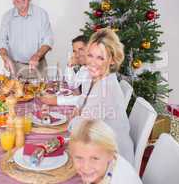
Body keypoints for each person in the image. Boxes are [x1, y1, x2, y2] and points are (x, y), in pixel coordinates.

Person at [41, 28, 134, 163]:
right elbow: (82, 101)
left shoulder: (106, 87)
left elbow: (80, 129)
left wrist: (76, 118)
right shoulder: (96, 78)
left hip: (113, 161)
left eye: (100, 57)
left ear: (112, 60)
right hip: (98, 145)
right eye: (90, 55)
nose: (92, 62)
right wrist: (79, 114)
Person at [0, 0, 53, 79]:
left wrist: (37, 56)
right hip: (16, 67)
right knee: (16, 94)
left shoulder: (41, 14)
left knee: (41, 93)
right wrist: (5, 57)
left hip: (38, 66)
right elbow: (1, 41)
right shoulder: (7, 17)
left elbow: (48, 40)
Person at [69, 119, 142, 184]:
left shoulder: (119, 179)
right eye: (79, 158)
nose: (86, 167)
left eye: (95, 158)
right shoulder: (107, 162)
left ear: (111, 155)